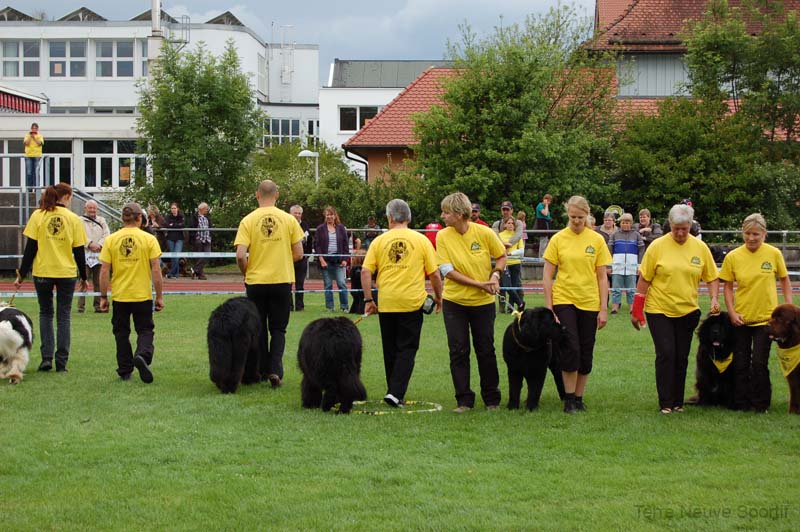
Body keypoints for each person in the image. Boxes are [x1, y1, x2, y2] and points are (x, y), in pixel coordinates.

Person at [632, 203, 720, 414]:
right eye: (676, 228)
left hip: (688, 309)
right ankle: (665, 403)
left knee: (681, 356)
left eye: (685, 228)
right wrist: (637, 310)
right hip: (659, 309)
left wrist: (714, 298)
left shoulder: (700, 248)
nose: (680, 233)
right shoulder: (657, 246)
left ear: (691, 226)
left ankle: (678, 402)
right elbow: (644, 280)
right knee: (666, 354)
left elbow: (712, 277)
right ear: (669, 225)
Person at [361, 199, 443, 408]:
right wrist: (439, 297)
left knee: (390, 349)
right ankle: (395, 393)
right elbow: (434, 274)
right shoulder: (421, 240)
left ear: (389, 218)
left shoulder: (379, 241)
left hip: (387, 301)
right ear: (408, 217)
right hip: (412, 302)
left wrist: (369, 299)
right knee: (407, 349)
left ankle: (393, 391)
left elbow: (365, 271)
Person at [437, 192, 507, 412]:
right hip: (454, 302)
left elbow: (502, 256)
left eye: (446, 212)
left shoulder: (485, 233)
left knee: (485, 348)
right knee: (458, 350)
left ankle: (492, 399)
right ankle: (464, 400)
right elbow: (447, 271)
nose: (442, 216)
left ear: (459, 214)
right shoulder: (442, 236)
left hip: (483, 304)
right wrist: (479, 284)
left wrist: (495, 275)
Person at [543, 195, 612, 413]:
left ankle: (580, 398)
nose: (576, 221)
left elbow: (602, 277)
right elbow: (547, 275)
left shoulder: (597, 240)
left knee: (585, 351)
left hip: (589, 301)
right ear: (567, 215)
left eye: (580, 217)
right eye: (572, 217)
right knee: (570, 347)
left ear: (588, 216)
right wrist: (549, 307)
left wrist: (603, 308)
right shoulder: (558, 239)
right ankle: (569, 398)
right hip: (565, 298)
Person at [720, 213, 792, 412]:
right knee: (741, 362)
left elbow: (784, 279)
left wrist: (788, 306)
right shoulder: (733, 257)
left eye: (756, 234)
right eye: (748, 234)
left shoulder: (774, 254)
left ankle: (761, 403)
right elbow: (727, 287)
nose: (751, 238)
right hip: (742, 319)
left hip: (767, 320)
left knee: (759, 362)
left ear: (764, 234)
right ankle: (741, 402)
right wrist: (732, 313)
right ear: (742, 233)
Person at [234, 180, 304, 387]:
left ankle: (262, 369)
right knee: (279, 329)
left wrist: (247, 272)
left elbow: (239, 255)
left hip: (256, 281)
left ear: (257, 195)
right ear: (277, 195)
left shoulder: (248, 220)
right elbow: (299, 253)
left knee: (259, 328)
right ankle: (275, 369)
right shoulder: (289, 219)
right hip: (281, 280)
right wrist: (281, 259)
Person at [15, 183, 88, 372]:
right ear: (66, 197)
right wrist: (84, 276)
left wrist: (21, 275)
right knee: (63, 317)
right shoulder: (73, 219)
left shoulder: (38, 216)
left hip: (43, 272)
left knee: (46, 314)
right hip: (66, 273)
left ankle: (46, 358)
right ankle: (61, 362)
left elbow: (30, 248)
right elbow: (79, 251)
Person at [98, 203, 164, 383]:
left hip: (120, 295)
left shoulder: (111, 240)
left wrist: (103, 296)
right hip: (142, 294)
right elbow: (156, 270)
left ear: (122, 219)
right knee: (145, 330)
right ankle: (142, 355)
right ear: (140, 218)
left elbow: (104, 270)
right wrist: (159, 296)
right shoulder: (149, 239)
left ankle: (125, 369)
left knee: (121, 333)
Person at [314, 206, 350, 312]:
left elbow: (345, 245)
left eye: (331, 214)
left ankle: (344, 307)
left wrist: (344, 260)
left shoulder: (341, 228)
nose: (329, 216)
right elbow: (317, 246)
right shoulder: (320, 229)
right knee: (328, 285)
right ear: (325, 216)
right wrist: (321, 260)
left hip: (339, 261)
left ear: (335, 216)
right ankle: (330, 307)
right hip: (326, 261)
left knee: (341, 283)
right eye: (327, 214)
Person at [608, 213, 644, 314]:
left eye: (627, 223)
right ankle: (615, 308)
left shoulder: (636, 235)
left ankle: (632, 308)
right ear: (620, 223)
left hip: (632, 266)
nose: (625, 225)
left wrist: (639, 265)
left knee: (631, 289)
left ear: (631, 223)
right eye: (623, 222)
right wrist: (609, 265)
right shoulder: (615, 235)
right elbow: (609, 250)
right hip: (617, 266)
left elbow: (641, 250)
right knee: (616, 288)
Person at [78, 199, 110, 313]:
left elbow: (107, 234)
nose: (92, 210)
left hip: (99, 255)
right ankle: (80, 306)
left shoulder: (102, 221)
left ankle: (98, 305)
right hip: (85, 254)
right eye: (90, 208)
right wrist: (89, 243)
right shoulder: (79, 221)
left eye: (94, 208)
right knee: (83, 280)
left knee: (99, 281)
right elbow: (78, 234)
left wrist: (100, 244)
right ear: (85, 208)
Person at [499, 217, 525, 312]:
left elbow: (522, 250)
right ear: (505, 225)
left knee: (514, 286)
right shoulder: (500, 235)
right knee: (507, 286)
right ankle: (520, 303)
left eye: (512, 223)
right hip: (505, 264)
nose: (510, 225)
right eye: (508, 223)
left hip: (516, 263)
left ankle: (511, 308)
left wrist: (510, 253)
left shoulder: (517, 236)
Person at [289, 205, 312, 311]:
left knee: (300, 284)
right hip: (289, 259)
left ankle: (300, 306)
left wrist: (307, 255)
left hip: (302, 259)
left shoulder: (305, 225)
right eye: (295, 213)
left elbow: (309, 240)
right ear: (290, 213)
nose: (297, 215)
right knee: (288, 284)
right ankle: (288, 306)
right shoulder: (286, 224)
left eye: (299, 213)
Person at [188, 202, 212, 280]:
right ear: (201, 209)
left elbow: (210, 227)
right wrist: (194, 238)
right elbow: (191, 228)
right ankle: (200, 274)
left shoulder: (207, 217)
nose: (207, 210)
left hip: (207, 239)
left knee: (207, 255)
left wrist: (211, 235)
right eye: (206, 209)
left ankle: (194, 270)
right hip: (198, 239)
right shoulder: (194, 217)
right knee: (200, 257)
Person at [164, 202, 185, 279]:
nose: (173, 210)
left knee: (177, 256)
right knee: (173, 256)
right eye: (172, 208)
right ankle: (175, 274)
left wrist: (173, 225)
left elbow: (182, 225)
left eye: (174, 208)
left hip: (179, 238)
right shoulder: (168, 217)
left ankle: (171, 273)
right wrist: (176, 225)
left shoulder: (181, 216)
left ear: (177, 209)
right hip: (170, 238)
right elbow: (166, 225)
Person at [23, 122, 44, 188]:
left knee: (36, 173)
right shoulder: (27, 136)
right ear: (31, 129)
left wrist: (34, 138)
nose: (34, 129)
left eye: (35, 128)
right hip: (28, 156)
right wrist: (30, 137)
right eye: (33, 128)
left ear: (37, 129)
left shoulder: (40, 136)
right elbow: (26, 143)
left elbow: (39, 143)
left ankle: (36, 188)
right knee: (29, 173)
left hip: (37, 156)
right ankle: (29, 189)